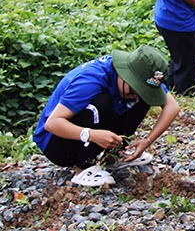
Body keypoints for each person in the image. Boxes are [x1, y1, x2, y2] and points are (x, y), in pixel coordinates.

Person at [33, 45, 180, 186]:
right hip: (56, 144)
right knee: (102, 102)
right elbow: (52, 123)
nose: (134, 95)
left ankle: (113, 156)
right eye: (134, 89)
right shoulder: (91, 79)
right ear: (125, 73)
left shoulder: (142, 74)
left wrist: (147, 141)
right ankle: (83, 169)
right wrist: (92, 135)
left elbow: (172, 107)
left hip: (88, 132)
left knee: (144, 99)